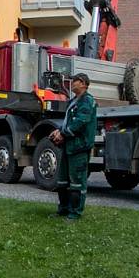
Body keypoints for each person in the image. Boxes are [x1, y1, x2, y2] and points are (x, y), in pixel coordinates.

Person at [50, 72, 98, 220]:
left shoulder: (87, 101)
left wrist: (63, 134)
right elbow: (69, 122)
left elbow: (80, 122)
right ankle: (63, 209)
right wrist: (59, 131)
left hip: (79, 147)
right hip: (68, 146)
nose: (72, 83)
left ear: (83, 83)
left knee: (77, 182)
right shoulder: (74, 101)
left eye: (75, 81)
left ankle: (75, 212)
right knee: (62, 181)